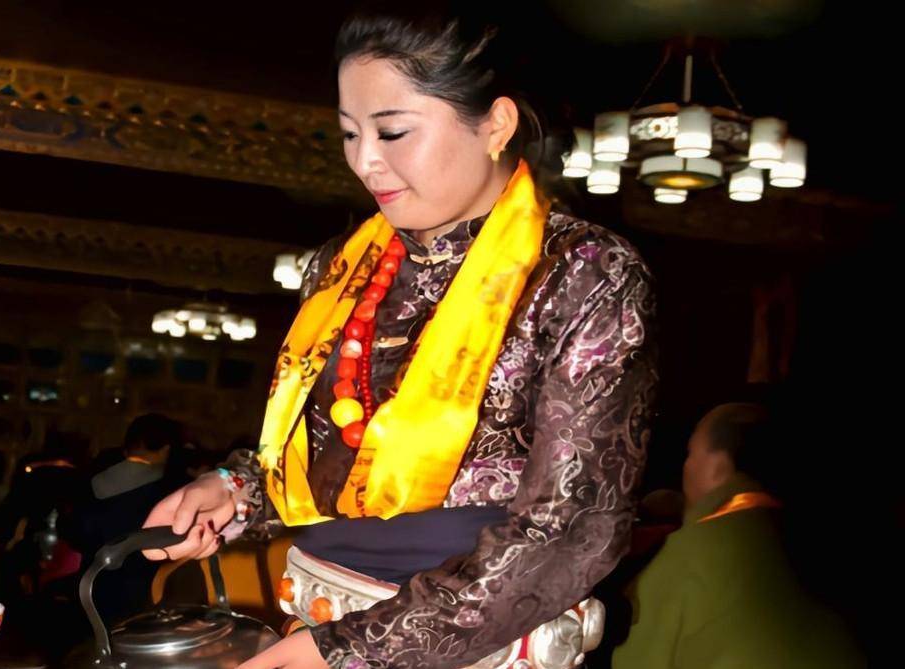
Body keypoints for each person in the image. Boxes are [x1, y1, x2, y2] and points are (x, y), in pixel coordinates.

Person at [142, 5, 658, 668]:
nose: (365, 161)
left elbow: (572, 528)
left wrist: (352, 650)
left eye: (392, 132)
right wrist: (232, 491)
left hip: (476, 647)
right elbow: (338, 457)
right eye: (349, 133)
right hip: (312, 617)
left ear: (496, 124)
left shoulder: (584, 273)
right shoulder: (340, 267)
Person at [611, 404, 863, 668]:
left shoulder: (693, 552)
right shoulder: (806, 538)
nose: (686, 467)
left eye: (691, 453)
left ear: (718, 467)